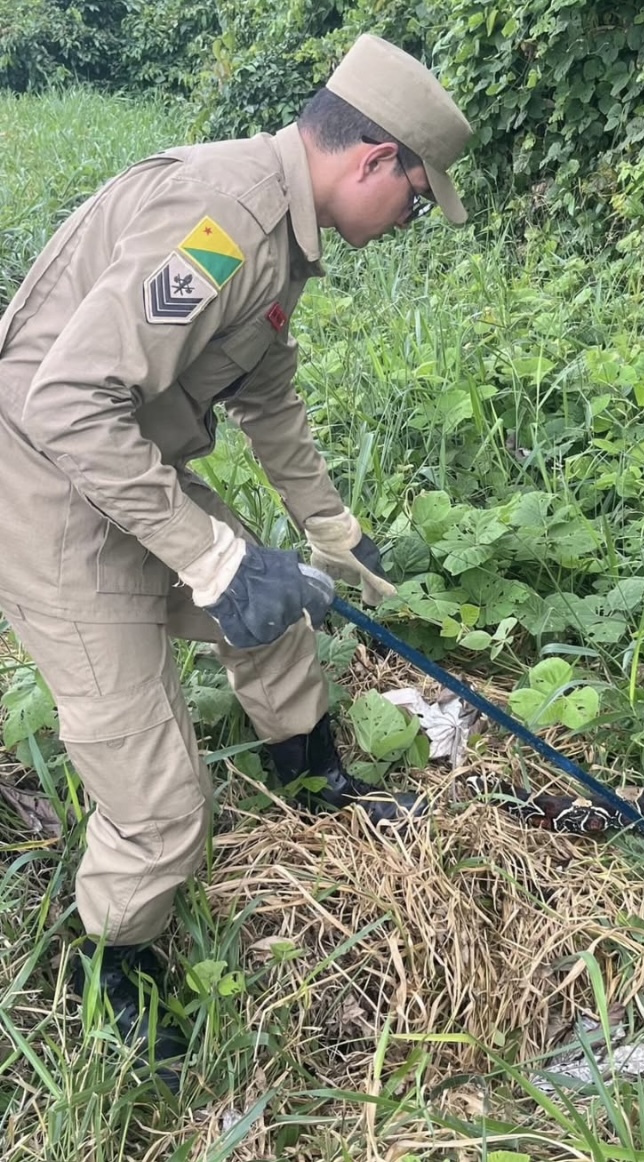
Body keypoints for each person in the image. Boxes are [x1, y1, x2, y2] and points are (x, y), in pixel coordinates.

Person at [0, 33, 472, 1088]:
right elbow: (65, 402)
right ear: (373, 160)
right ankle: (116, 970)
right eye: (415, 197)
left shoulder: (281, 231)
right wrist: (211, 556)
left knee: (279, 607)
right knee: (159, 797)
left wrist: (333, 534)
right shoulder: (223, 222)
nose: (408, 222)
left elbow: (265, 391)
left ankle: (311, 778)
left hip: (125, 461)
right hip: (48, 490)